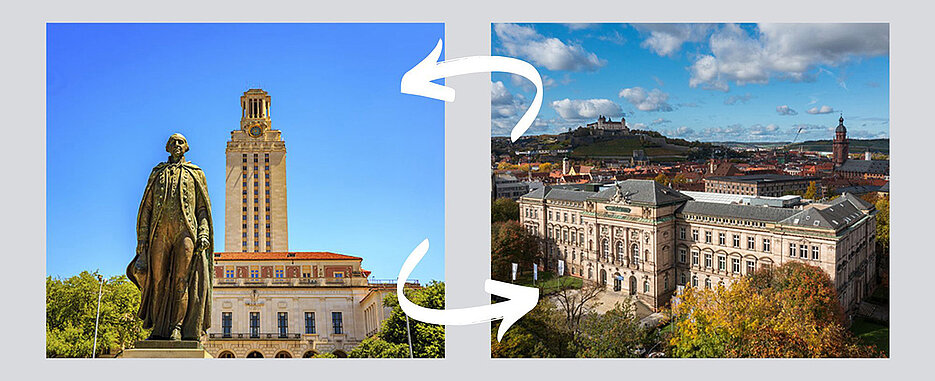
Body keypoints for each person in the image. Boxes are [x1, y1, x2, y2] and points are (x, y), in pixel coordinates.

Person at [127, 133, 214, 341]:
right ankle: (158, 328)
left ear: (186, 147)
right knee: (157, 280)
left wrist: (203, 232)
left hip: (186, 232)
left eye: (180, 142)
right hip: (159, 233)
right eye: (173, 142)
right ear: (167, 147)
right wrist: (142, 239)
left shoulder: (196, 173)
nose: (177, 145)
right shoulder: (157, 173)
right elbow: (146, 207)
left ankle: (177, 326)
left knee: (182, 281)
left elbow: (202, 208)